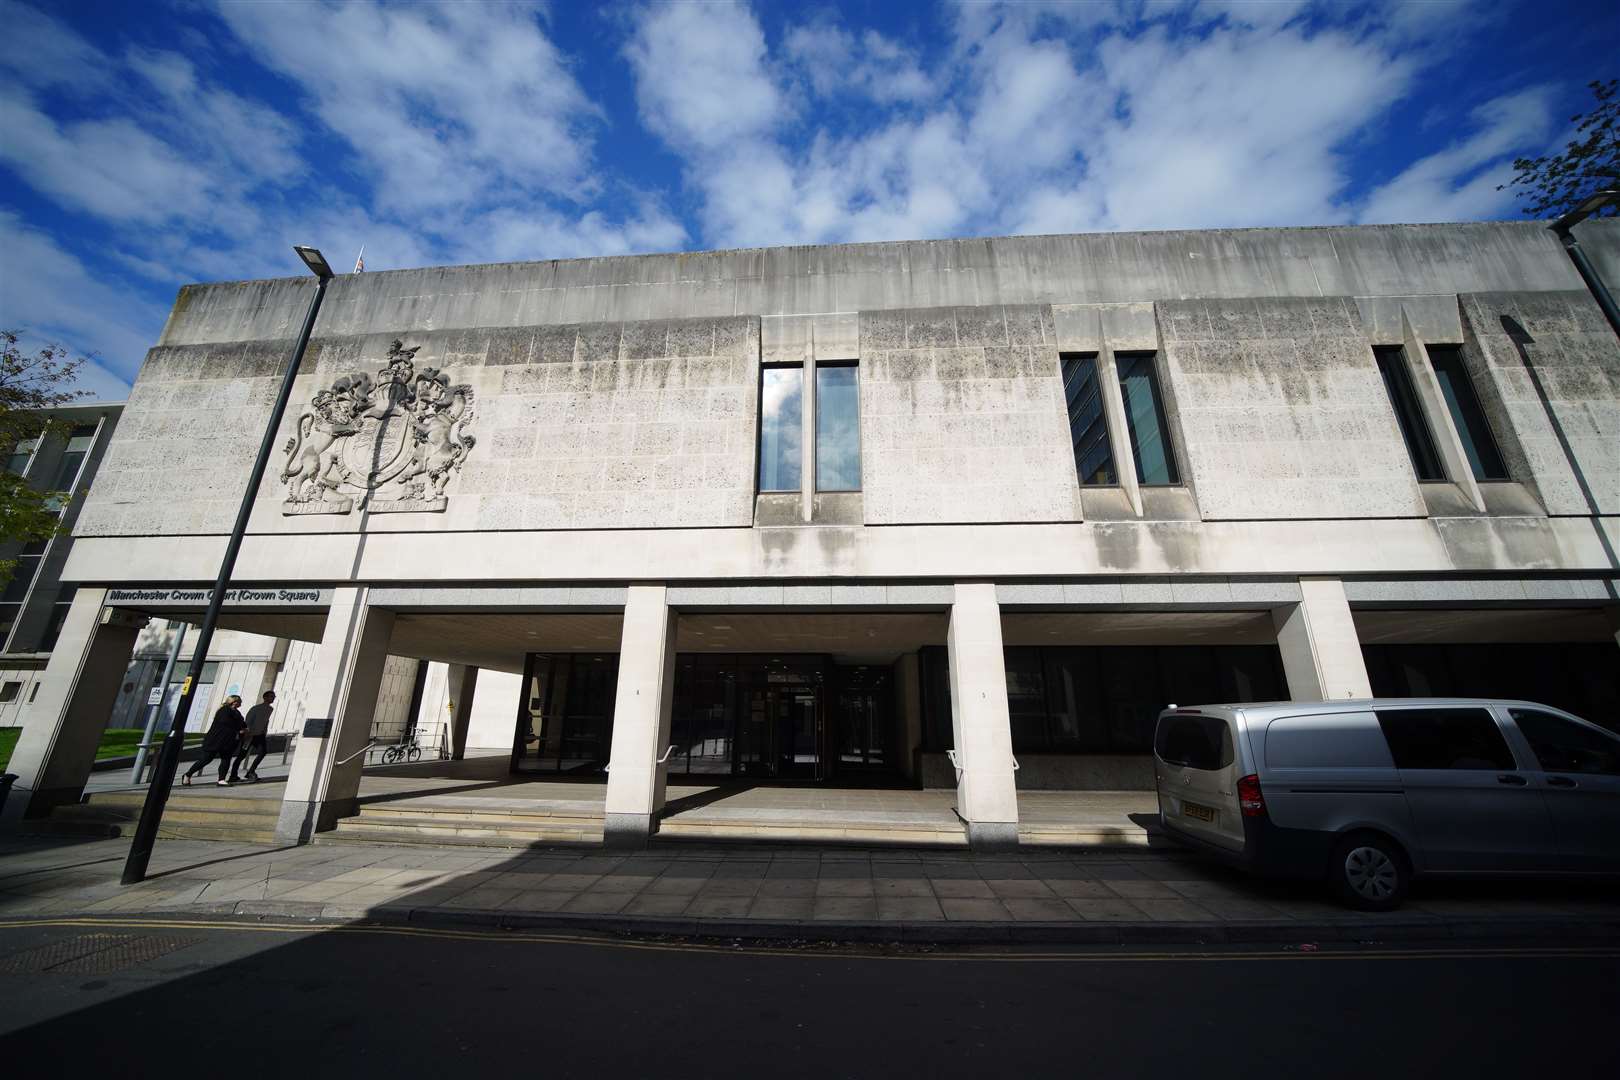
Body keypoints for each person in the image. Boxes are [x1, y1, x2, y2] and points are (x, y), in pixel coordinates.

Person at [182, 695, 247, 787]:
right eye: (239, 701)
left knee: (226, 759)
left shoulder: (237, 712)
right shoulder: (224, 710)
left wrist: (244, 728)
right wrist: (238, 729)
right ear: (234, 702)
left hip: (228, 741)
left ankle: (221, 779)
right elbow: (226, 722)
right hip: (216, 739)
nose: (241, 703)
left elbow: (241, 723)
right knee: (206, 759)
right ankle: (188, 774)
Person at [231, 690, 275, 783]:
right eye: (271, 696)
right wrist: (247, 733)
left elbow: (265, 720)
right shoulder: (256, 708)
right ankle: (233, 775)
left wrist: (264, 730)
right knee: (242, 755)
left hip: (260, 734)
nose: (273, 698)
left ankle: (251, 771)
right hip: (250, 735)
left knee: (263, 752)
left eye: (273, 696)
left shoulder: (270, 709)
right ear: (265, 697)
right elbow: (248, 721)